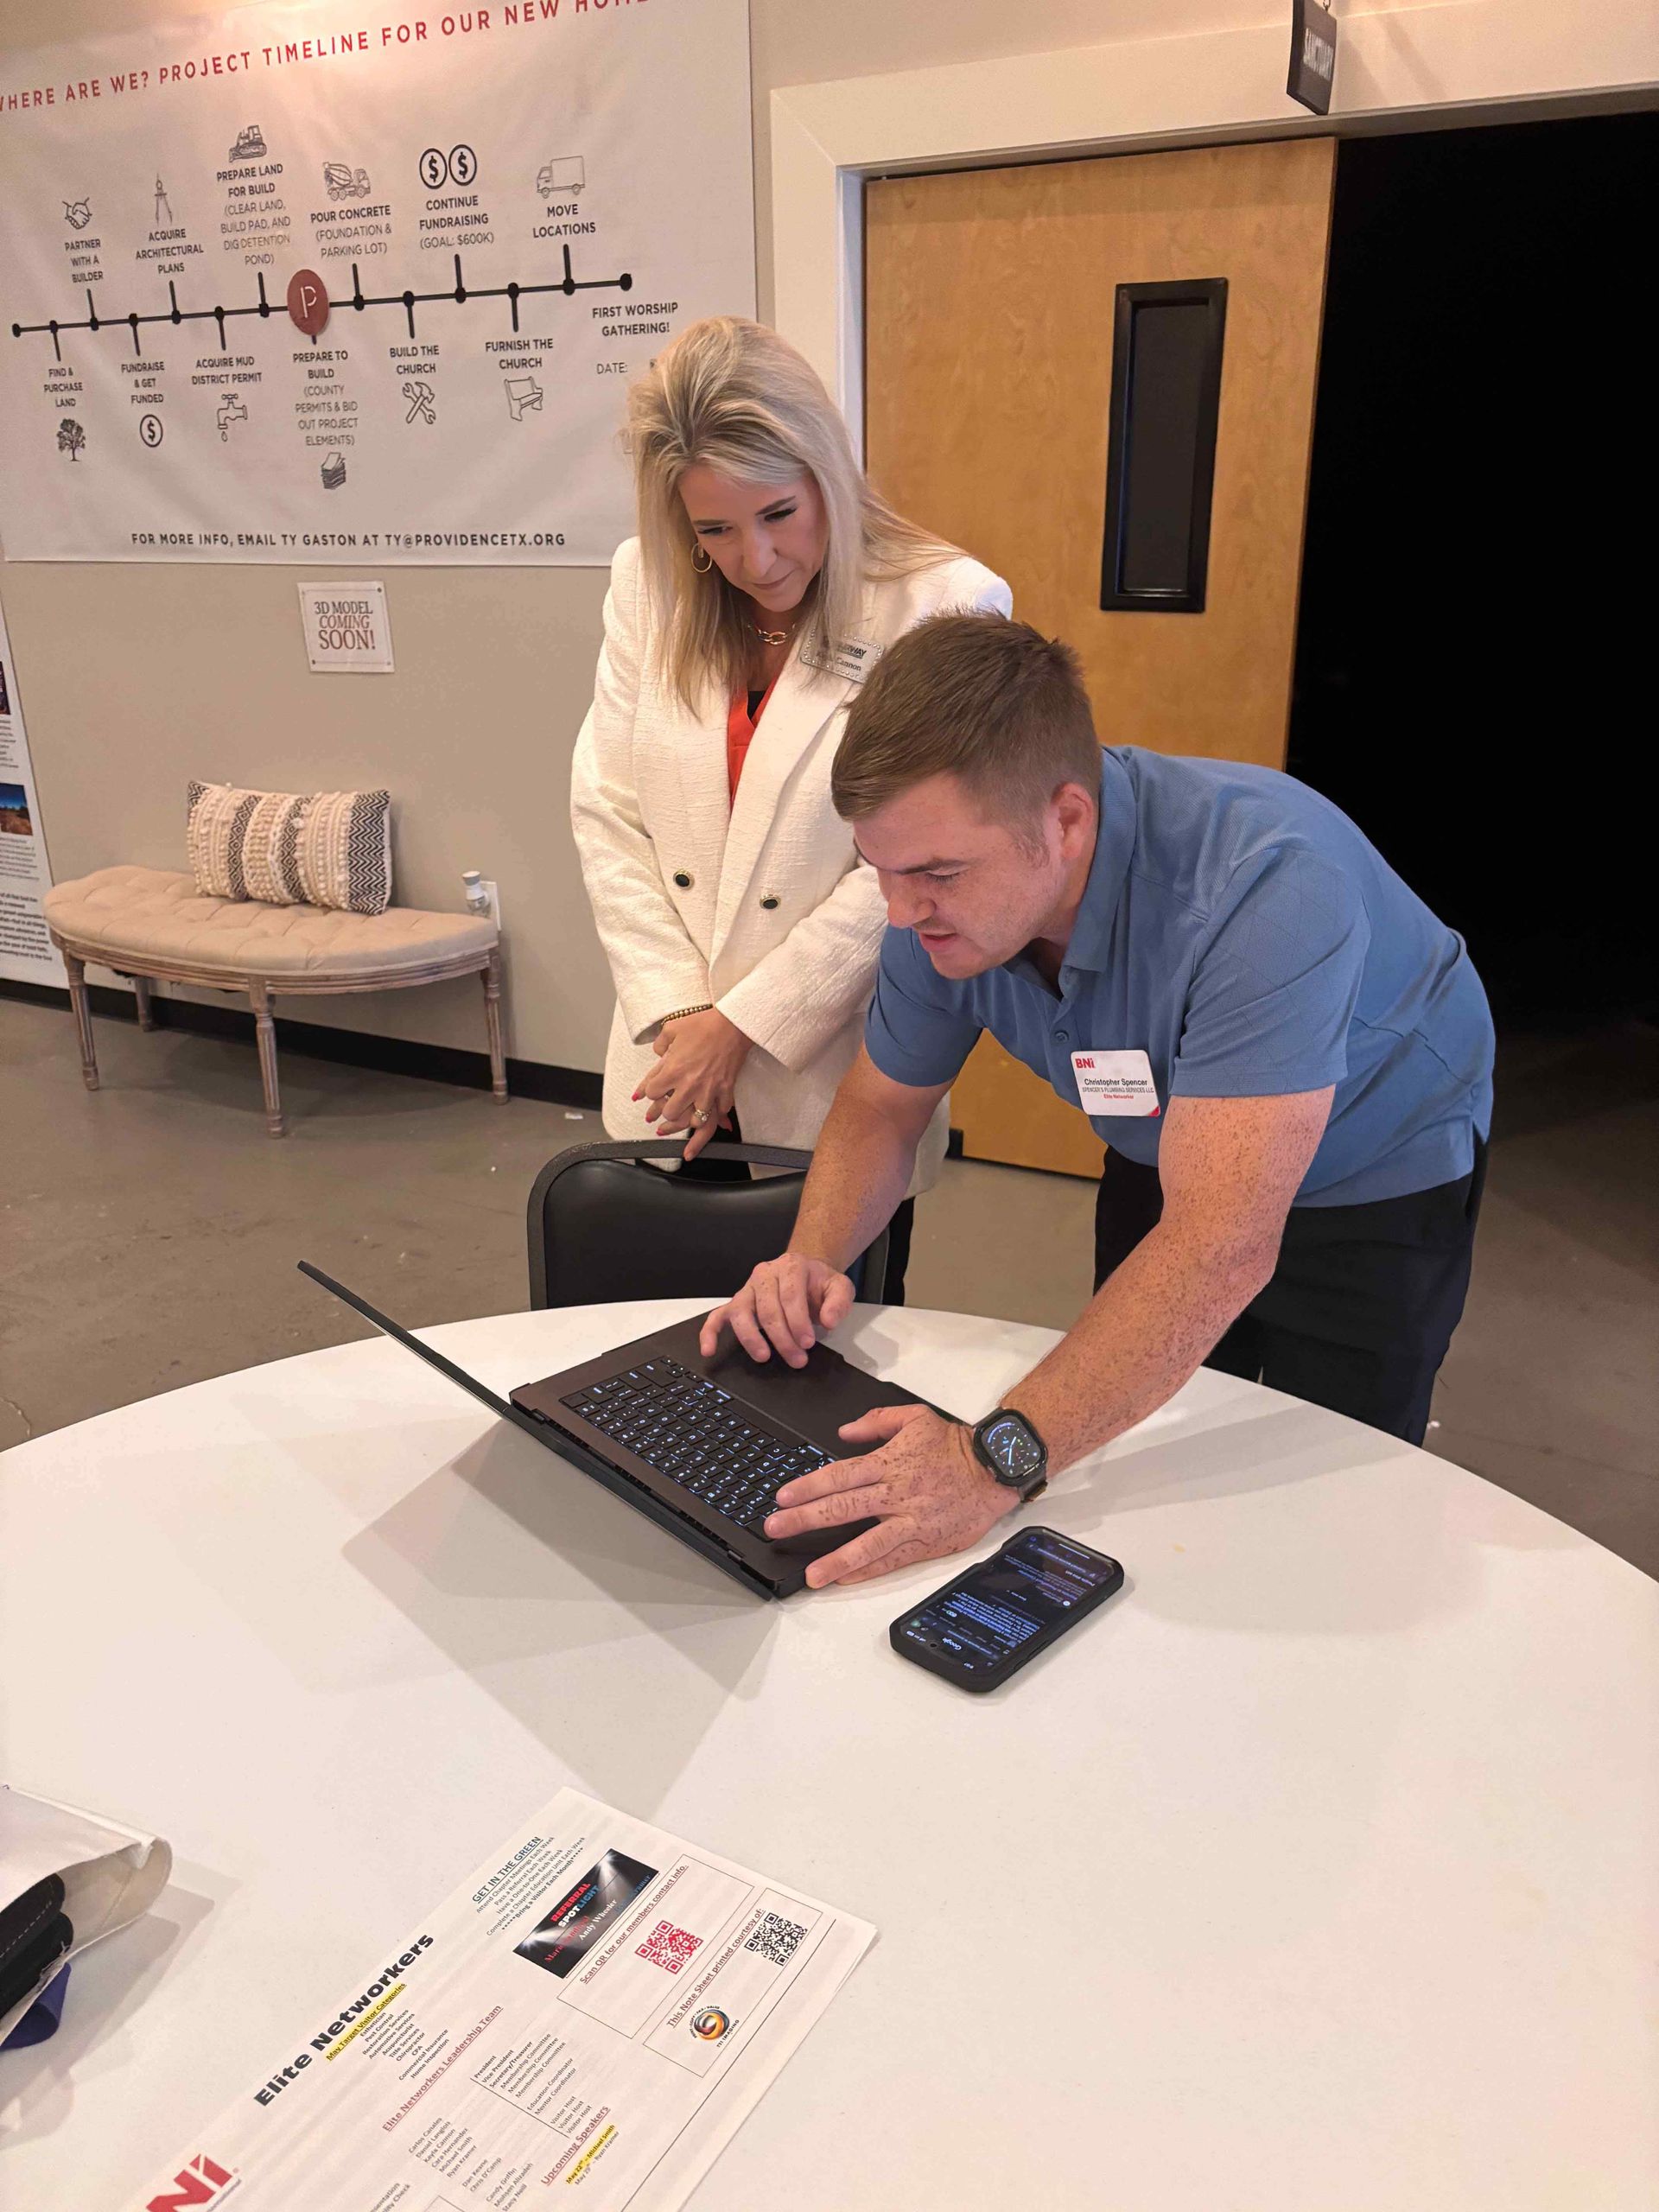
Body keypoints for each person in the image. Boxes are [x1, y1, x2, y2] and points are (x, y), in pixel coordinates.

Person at [702, 613, 1496, 1587]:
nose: (901, 913)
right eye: (882, 870)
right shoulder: (928, 911)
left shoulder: (1267, 885)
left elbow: (1221, 1243)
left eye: (938, 873)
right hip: (1166, 1141)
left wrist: (988, 1462)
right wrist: (810, 1255)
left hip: (1375, 1162)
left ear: (1067, 823)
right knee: (1140, 1444)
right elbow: (882, 1108)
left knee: (1324, 1496)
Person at [570, 317, 1010, 1295]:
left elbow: (909, 865)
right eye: (715, 530)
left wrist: (743, 1024)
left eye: (779, 513)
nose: (757, 559)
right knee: (659, 1337)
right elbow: (608, 810)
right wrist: (683, 1013)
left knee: (825, 1336)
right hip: (672, 1061)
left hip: (828, 1076)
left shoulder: (942, 602)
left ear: (827, 473)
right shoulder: (646, 583)